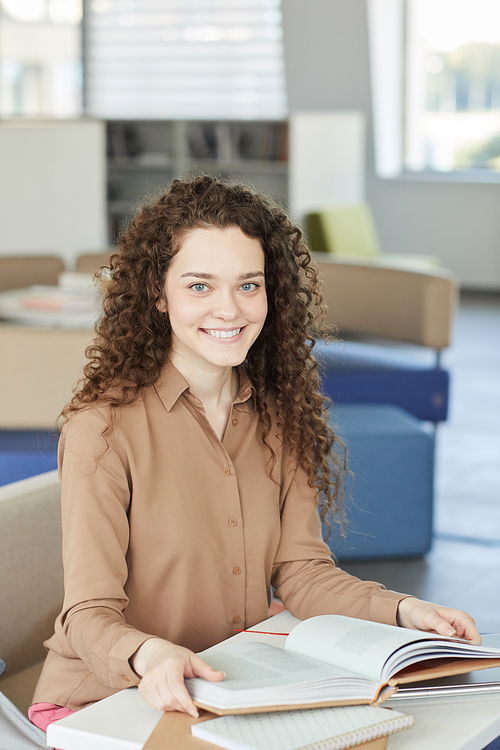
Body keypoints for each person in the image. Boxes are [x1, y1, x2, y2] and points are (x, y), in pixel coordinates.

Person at [29, 175, 480, 733]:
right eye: (199, 286)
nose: (229, 309)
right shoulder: (102, 429)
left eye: (248, 285)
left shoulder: (281, 418)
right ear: (157, 293)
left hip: (227, 685)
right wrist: (150, 654)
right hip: (103, 701)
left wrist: (406, 611)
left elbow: (304, 575)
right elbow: (88, 616)